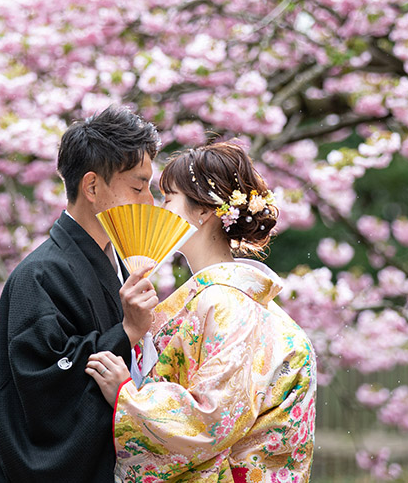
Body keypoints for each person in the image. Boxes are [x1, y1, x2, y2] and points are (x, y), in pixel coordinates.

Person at [86, 142, 317, 482]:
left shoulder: (227, 303)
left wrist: (128, 397)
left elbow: (213, 416)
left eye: (168, 198)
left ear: (204, 211)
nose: (155, 207)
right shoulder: (229, 298)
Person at [0, 107, 162, 482]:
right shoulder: (39, 275)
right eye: (138, 187)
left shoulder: (119, 265)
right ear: (92, 187)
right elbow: (42, 390)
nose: (150, 201)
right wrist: (125, 333)